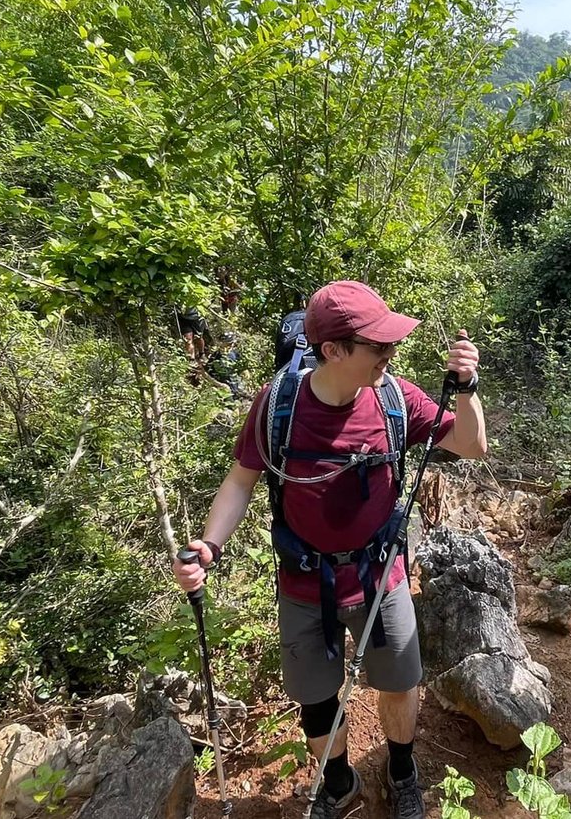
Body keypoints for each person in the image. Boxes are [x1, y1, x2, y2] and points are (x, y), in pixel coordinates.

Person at [175, 281, 486, 819]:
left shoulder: (395, 398)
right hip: (303, 581)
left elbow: (470, 445)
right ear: (334, 350)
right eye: (378, 346)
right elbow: (241, 481)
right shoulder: (277, 407)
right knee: (317, 698)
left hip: (380, 574)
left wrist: (466, 387)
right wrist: (209, 546)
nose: (390, 355)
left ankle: (402, 769)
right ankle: (338, 782)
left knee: (400, 681)